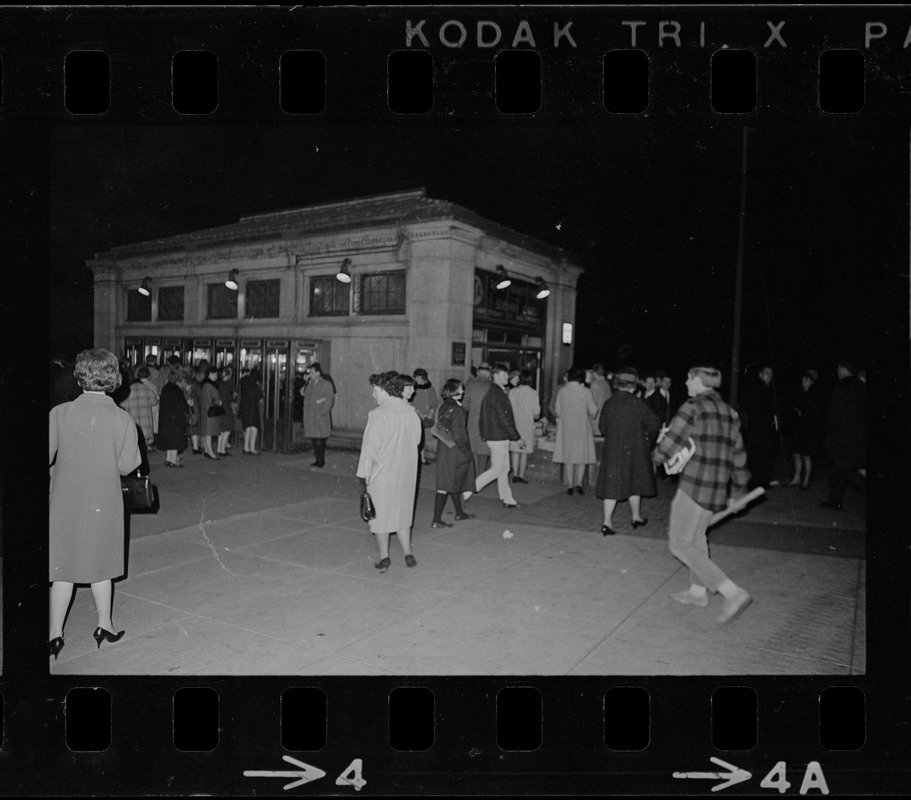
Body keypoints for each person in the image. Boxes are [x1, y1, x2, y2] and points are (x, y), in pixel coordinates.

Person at [49, 348, 141, 660]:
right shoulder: (122, 418)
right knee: (102, 565)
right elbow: (128, 464)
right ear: (114, 378)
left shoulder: (59, 413)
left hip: (64, 499)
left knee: (63, 567)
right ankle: (105, 625)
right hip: (104, 499)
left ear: (80, 376)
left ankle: (54, 636)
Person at [653, 364, 753, 625]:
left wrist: (657, 454)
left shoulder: (692, 407)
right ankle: (698, 593)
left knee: (679, 543)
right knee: (697, 538)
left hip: (694, 486)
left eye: (688, 378)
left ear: (698, 381)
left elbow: (669, 443)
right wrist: (739, 489)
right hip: (717, 489)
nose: (685, 382)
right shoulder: (730, 413)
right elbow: (739, 454)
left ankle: (733, 593)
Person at [357, 372, 422, 572]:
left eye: (375, 390)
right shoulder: (411, 412)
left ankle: (384, 556)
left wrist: (364, 475)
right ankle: (407, 553)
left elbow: (370, 449)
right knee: (402, 510)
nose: (373, 394)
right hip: (407, 472)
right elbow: (418, 441)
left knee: (381, 515)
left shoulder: (378, 414)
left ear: (385, 390)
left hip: (382, 474)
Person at [596, 368, 662, 535]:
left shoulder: (609, 403)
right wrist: (648, 441)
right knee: (636, 481)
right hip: (635, 450)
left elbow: (602, 427)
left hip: (613, 450)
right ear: (633, 387)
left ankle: (607, 522)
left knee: (611, 485)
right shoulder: (637, 403)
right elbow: (655, 423)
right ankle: (636, 517)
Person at [466, 364, 525, 508]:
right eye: (504, 375)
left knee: (504, 468)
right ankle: (468, 490)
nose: (507, 377)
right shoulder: (497, 393)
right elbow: (505, 419)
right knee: (498, 469)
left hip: (496, 435)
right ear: (496, 376)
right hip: (498, 436)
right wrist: (517, 437)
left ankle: (507, 498)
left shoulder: (495, 392)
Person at [430, 378, 476, 528]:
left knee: (453, 480)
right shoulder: (457, 409)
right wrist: (465, 451)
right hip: (455, 450)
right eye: (461, 388)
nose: (463, 390)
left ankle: (459, 512)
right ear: (455, 391)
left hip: (445, 447)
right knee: (447, 483)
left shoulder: (444, 405)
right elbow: (459, 434)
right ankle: (436, 520)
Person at [821, 359, 866, 510]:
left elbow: (834, 415)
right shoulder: (862, 387)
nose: (837, 372)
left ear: (844, 370)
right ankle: (835, 501)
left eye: (838, 369)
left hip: (841, 437)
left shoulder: (841, 388)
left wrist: (829, 436)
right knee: (839, 470)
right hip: (857, 437)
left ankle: (836, 500)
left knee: (845, 471)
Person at [552, 367, 599, 495]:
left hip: (567, 427)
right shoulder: (586, 391)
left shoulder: (562, 391)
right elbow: (593, 411)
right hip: (582, 428)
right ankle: (579, 483)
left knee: (569, 457)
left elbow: (557, 411)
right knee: (582, 457)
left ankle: (570, 485)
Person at [741, 365, 781, 489]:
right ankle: (757, 482)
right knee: (757, 456)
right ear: (760, 375)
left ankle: (760, 482)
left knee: (763, 456)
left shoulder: (770, 390)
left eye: (771, 373)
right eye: (766, 372)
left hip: (764, 430)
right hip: (758, 429)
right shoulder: (757, 390)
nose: (769, 375)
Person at [788, 370, 824, 490]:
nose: (804, 381)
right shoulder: (799, 392)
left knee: (806, 455)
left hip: (809, 429)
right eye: (803, 379)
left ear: (812, 382)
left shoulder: (815, 395)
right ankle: (796, 478)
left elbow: (814, 412)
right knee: (796, 453)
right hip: (798, 428)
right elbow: (793, 407)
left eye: (807, 379)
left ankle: (806, 480)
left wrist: (802, 410)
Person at [508, 369, 540, 484]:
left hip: (515, 424)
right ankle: (521, 475)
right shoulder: (533, 393)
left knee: (515, 451)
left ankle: (515, 474)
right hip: (527, 424)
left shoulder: (513, 392)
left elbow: (509, 410)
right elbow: (536, 413)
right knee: (524, 451)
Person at [302, 362, 335, 468]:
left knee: (320, 440)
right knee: (314, 439)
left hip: (320, 417)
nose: (310, 375)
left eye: (312, 373)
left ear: (317, 373)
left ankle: (320, 460)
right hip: (311, 417)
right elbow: (305, 398)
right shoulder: (310, 385)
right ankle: (318, 459)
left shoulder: (326, 384)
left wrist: (323, 412)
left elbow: (329, 399)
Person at [462, 362, 492, 477]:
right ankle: (481, 476)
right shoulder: (492, 386)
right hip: (487, 423)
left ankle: (472, 476)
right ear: (489, 373)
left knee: (473, 450)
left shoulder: (470, 384)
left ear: (478, 372)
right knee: (484, 452)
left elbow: (465, 404)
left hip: (473, 422)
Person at [158, 365, 189, 467]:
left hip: (166, 418)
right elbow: (182, 405)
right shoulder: (176, 390)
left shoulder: (165, 388)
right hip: (176, 418)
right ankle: (174, 460)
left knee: (169, 440)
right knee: (176, 440)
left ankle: (168, 459)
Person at [120, 367, 158, 451]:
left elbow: (123, 404)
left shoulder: (129, 390)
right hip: (145, 419)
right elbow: (154, 401)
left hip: (133, 419)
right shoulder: (146, 388)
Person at [412, 368, 439, 464]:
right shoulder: (414, 388)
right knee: (417, 438)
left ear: (423, 378)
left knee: (424, 438)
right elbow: (411, 402)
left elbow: (434, 401)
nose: (417, 380)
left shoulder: (430, 388)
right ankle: (418, 458)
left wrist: (431, 413)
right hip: (417, 415)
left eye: (418, 378)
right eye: (415, 378)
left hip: (428, 416)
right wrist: (419, 413)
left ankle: (422, 459)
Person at [199, 364, 223, 460]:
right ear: (210, 374)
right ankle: (209, 452)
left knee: (208, 433)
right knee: (209, 433)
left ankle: (207, 451)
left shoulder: (207, 384)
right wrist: (218, 401)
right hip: (209, 412)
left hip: (208, 412)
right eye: (215, 374)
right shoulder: (208, 385)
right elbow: (208, 400)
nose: (216, 376)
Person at [239, 366, 264, 454]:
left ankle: (246, 447)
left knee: (247, 428)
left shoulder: (244, 382)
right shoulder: (256, 385)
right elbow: (260, 398)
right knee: (254, 427)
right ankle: (252, 448)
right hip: (253, 407)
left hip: (245, 407)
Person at [216, 365, 237, 456]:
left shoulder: (219, 384)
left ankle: (219, 448)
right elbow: (228, 397)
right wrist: (232, 397)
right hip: (226, 407)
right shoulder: (225, 385)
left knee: (221, 430)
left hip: (220, 408)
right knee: (227, 429)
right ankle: (222, 450)